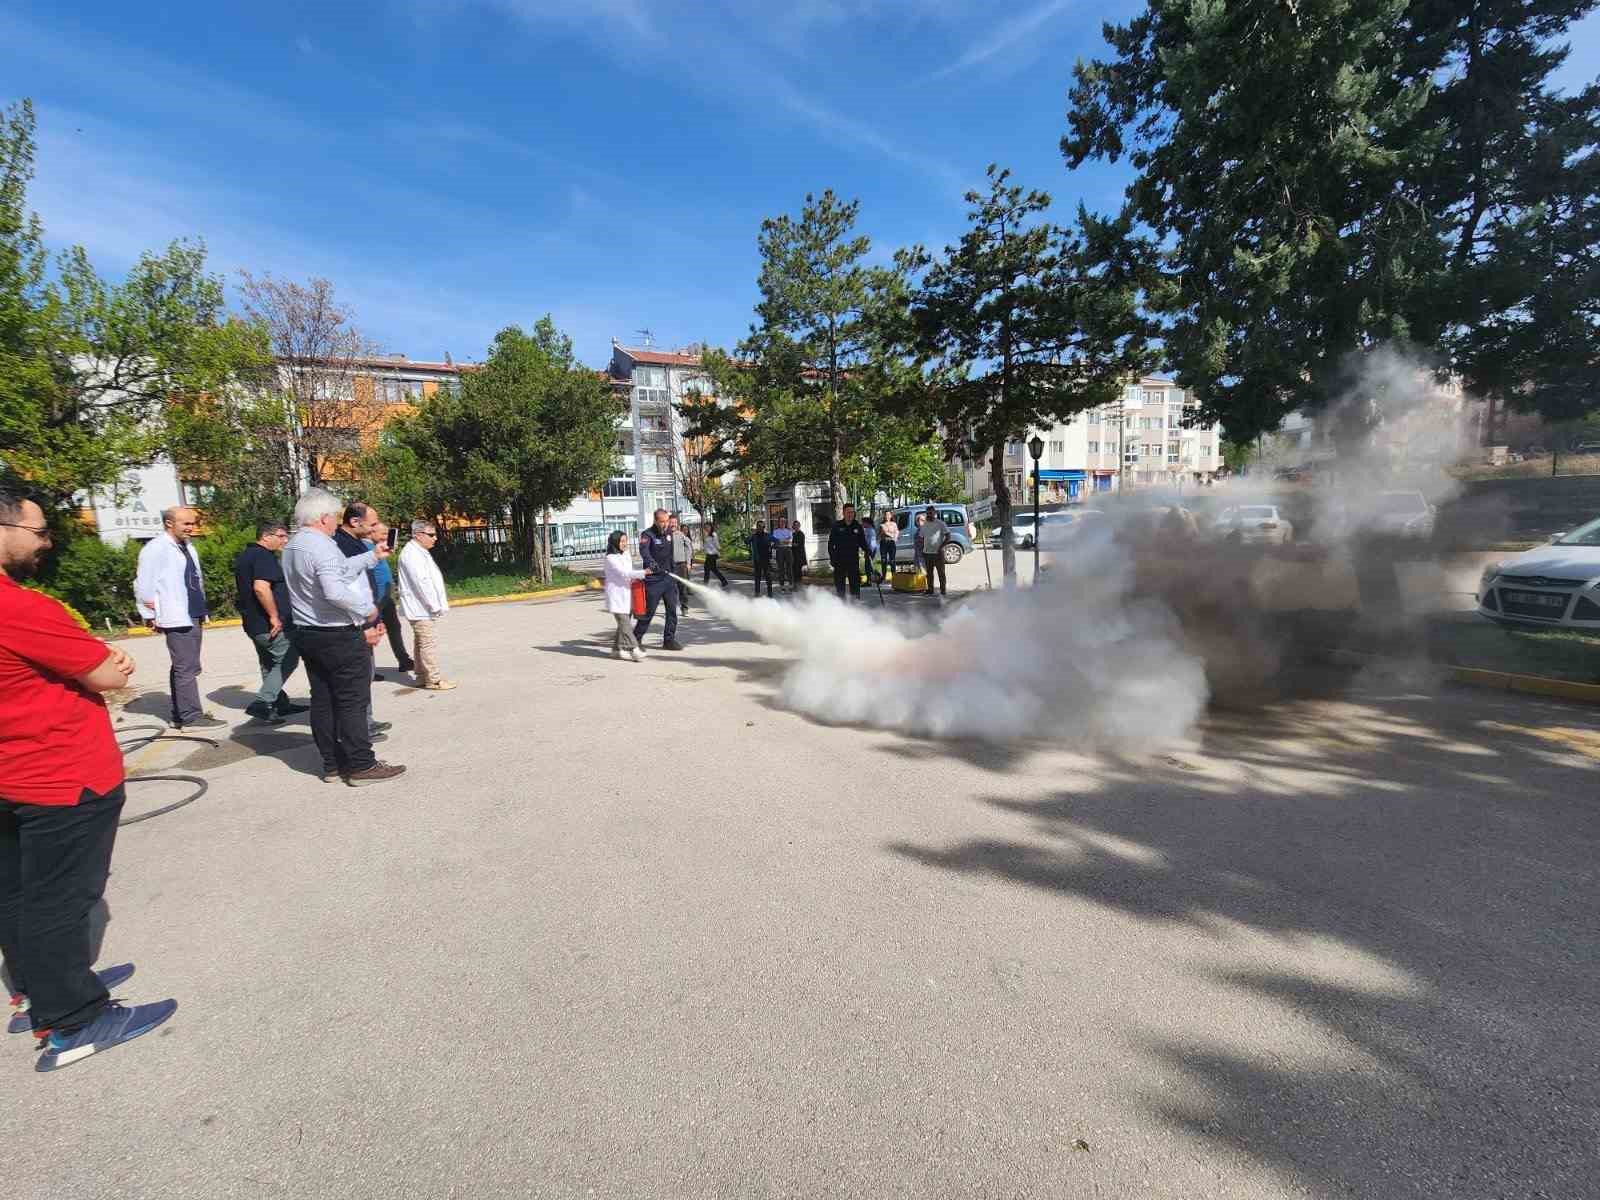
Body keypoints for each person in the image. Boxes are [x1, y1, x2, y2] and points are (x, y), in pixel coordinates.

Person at [0, 484, 178, 1071]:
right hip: (60, 776)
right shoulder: (19, 606)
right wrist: (107, 661)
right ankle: (74, 1021)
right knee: (61, 901)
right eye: (38, 530)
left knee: (19, 895)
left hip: (12, 776)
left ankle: (39, 989)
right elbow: (105, 672)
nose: (45, 541)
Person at [283, 490, 405, 787]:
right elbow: (335, 591)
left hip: (308, 632)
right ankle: (362, 765)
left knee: (323, 700)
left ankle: (333, 764)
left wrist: (372, 556)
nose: (336, 524)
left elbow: (339, 572)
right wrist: (368, 610)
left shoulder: (294, 546)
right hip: (336, 633)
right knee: (352, 700)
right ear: (323, 518)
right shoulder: (322, 546)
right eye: (334, 518)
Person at [133, 506, 223, 730]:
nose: (191, 528)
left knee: (186, 666)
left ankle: (181, 712)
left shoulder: (186, 546)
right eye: (186, 524)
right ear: (169, 524)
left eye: (193, 523)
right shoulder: (156, 549)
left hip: (192, 612)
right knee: (186, 668)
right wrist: (150, 614)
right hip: (176, 615)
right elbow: (143, 585)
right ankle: (191, 716)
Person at [233, 518, 308, 725]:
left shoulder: (246, 556)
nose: (285, 540)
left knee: (269, 663)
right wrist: (274, 616)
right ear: (266, 537)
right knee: (288, 659)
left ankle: (279, 703)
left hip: (254, 624)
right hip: (269, 624)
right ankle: (263, 701)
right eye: (281, 536)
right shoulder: (263, 556)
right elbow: (260, 587)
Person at [333, 503, 390, 740]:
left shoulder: (357, 543)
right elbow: (345, 589)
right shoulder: (340, 545)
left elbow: (366, 582)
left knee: (366, 675)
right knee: (355, 681)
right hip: (353, 621)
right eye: (373, 523)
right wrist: (366, 621)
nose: (376, 528)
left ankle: (366, 721)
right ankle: (359, 730)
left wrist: (375, 616)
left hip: (367, 615)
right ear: (355, 522)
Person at [396, 520, 456, 691]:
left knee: (420, 642)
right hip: (422, 607)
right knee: (427, 643)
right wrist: (434, 605)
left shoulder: (419, 551)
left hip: (421, 607)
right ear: (418, 535)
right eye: (431, 535)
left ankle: (422, 676)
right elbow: (421, 583)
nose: (435, 538)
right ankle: (434, 679)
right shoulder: (412, 554)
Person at [367, 521, 413, 679]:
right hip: (375, 600)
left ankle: (404, 660)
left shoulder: (379, 547)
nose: (386, 537)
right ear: (371, 532)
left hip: (386, 598)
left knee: (394, 627)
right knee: (370, 634)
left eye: (388, 533)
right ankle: (369, 671)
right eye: (383, 533)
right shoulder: (367, 548)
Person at [632, 508, 683, 651]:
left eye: (667, 521)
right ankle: (635, 640)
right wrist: (651, 563)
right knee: (648, 613)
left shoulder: (669, 534)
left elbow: (671, 554)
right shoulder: (647, 535)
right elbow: (644, 552)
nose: (665, 524)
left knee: (672, 611)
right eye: (662, 522)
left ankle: (669, 640)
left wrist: (674, 572)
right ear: (655, 521)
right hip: (653, 581)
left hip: (668, 579)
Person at [602, 530, 649, 662]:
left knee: (623, 624)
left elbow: (630, 571)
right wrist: (643, 573)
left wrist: (641, 573)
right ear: (615, 542)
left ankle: (616, 650)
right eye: (622, 541)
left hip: (627, 595)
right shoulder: (610, 558)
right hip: (616, 596)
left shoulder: (626, 554)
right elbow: (624, 573)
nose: (624, 544)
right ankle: (635, 648)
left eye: (625, 541)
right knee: (625, 623)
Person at [827, 504, 873, 601]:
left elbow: (863, 542)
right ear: (843, 513)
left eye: (852, 512)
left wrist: (867, 552)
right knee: (840, 586)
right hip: (839, 560)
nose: (851, 514)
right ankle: (841, 606)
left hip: (853, 560)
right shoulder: (837, 526)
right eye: (848, 512)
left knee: (855, 584)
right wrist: (832, 558)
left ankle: (855, 606)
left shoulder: (857, 526)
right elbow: (831, 544)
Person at [919, 504, 952, 599]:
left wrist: (941, 546)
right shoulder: (924, 524)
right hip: (927, 553)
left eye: (931, 513)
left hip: (938, 553)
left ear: (934, 513)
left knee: (941, 572)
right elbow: (921, 537)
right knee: (929, 573)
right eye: (928, 513)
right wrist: (922, 549)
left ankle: (943, 590)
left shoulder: (940, 523)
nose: (929, 514)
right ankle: (930, 589)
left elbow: (948, 536)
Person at [669, 514, 694, 613]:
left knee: (682, 588)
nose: (673, 524)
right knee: (671, 589)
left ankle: (684, 608)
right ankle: (671, 608)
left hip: (681, 566)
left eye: (674, 522)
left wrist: (688, 563)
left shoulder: (681, 535)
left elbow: (689, 548)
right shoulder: (665, 535)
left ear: (677, 524)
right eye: (671, 522)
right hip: (670, 566)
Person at [702, 522, 729, 589]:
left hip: (713, 554)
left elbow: (716, 544)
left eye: (708, 527)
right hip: (708, 554)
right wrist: (704, 550)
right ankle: (724, 581)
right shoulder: (706, 535)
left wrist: (720, 550)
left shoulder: (714, 534)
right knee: (714, 569)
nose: (707, 528)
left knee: (707, 569)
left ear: (711, 527)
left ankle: (706, 584)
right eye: (705, 527)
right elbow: (706, 545)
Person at [750, 521, 773, 597]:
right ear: (757, 527)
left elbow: (776, 541)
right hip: (757, 560)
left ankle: (770, 593)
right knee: (757, 577)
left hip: (766, 559)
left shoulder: (768, 535)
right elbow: (746, 541)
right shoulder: (754, 536)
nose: (760, 528)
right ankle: (757, 593)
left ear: (764, 527)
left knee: (768, 577)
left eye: (762, 526)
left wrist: (772, 547)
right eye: (758, 526)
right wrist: (751, 536)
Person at [878, 510, 900, 580]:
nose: (887, 516)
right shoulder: (882, 524)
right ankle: (883, 576)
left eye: (888, 515)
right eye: (886, 515)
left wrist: (895, 537)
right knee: (883, 560)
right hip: (884, 543)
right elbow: (884, 532)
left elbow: (897, 531)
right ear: (884, 516)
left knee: (892, 560)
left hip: (891, 543)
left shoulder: (894, 524)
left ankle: (894, 576)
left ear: (891, 516)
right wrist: (892, 535)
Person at [790, 523, 807, 589]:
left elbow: (798, 544)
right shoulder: (793, 534)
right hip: (793, 555)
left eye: (797, 525)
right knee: (794, 571)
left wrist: (791, 544)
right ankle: (795, 586)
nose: (795, 526)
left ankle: (799, 586)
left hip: (800, 555)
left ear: (799, 526)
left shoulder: (801, 534)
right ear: (793, 526)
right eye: (794, 525)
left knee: (798, 571)